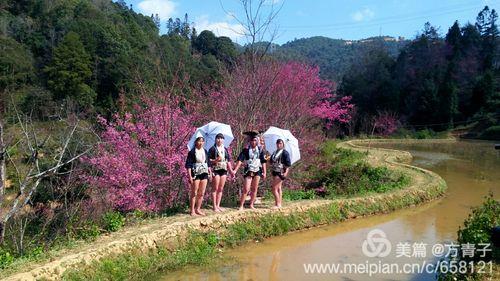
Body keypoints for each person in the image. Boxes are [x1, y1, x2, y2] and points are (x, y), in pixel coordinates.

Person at [233, 135, 267, 210]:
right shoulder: (246, 150)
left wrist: (265, 172)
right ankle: (241, 205)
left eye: (255, 140)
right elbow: (240, 160)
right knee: (246, 188)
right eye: (252, 140)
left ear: (257, 141)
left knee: (254, 188)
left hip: (258, 169)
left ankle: (251, 204)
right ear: (249, 141)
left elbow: (263, 161)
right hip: (249, 169)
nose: (253, 142)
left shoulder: (260, 150)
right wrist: (235, 170)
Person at [208, 133, 234, 212]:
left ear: (223, 140)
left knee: (221, 188)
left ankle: (218, 205)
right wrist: (215, 160)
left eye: (221, 138)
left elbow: (228, 160)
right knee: (215, 188)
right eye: (218, 138)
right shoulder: (212, 149)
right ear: (215, 140)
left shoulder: (225, 149)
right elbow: (208, 160)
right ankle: (214, 206)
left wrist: (231, 171)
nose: (219, 140)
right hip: (216, 169)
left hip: (224, 169)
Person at [185, 136, 210, 216]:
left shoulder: (205, 151)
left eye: (202, 141)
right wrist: (189, 176)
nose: (201, 143)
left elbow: (208, 163)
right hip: (195, 174)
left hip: (204, 173)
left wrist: (209, 171)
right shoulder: (192, 152)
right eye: (199, 141)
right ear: (196, 142)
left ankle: (198, 209)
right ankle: (192, 210)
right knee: (194, 192)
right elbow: (188, 165)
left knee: (201, 193)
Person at [269, 139, 292, 209]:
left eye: (280, 143)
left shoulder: (285, 153)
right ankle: (279, 203)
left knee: (274, 189)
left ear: (283, 144)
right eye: (278, 143)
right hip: (274, 171)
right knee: (278, 188)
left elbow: (288, 165)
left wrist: (286, 173)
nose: (279, 145)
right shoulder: (275, 152)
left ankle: (278, 204)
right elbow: (271, 162)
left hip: (280, 172)